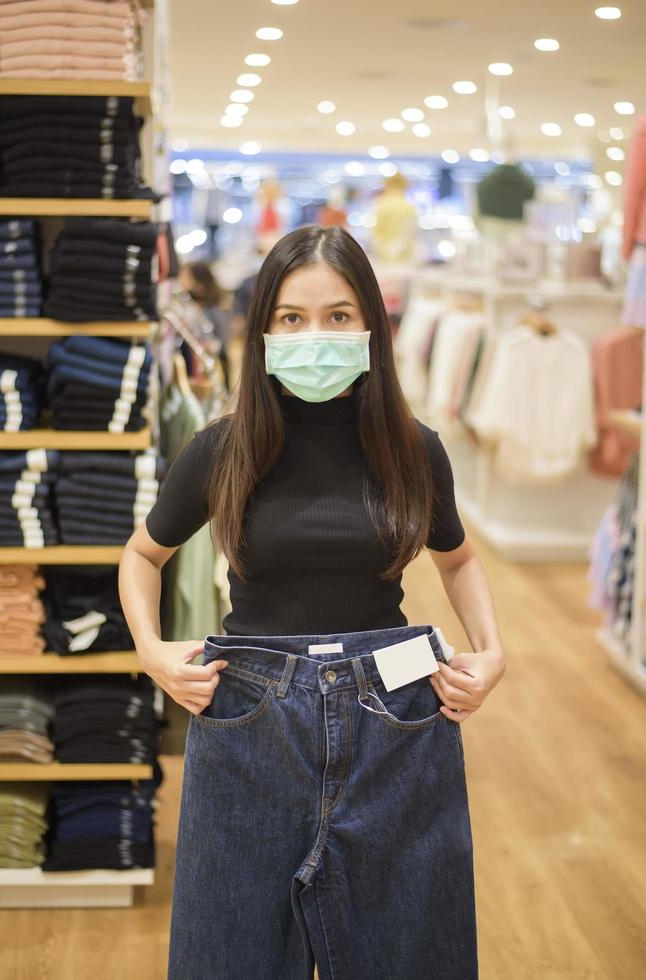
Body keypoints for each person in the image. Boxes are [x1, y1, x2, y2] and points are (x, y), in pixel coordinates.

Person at [118, 225, 506, 980]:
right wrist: (152, 651)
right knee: (232, 958)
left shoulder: (412, 448)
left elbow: (457, 559)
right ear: (262, 328)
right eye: (292, 318)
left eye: (338, 316)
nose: (316, 336)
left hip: (395, 722)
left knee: (409, 952)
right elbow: (143, 556)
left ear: (371, 327)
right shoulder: (223, 450)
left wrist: (492, 652)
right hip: (248, 724)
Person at [178, 261, 231, 391]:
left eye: (186, 278)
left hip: (210, 367)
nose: (181, 282)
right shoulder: (186, 305)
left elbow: (222, 339)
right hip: (193, 364)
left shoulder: (214, 310)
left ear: (199, 282)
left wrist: (208, 346)